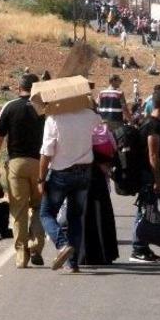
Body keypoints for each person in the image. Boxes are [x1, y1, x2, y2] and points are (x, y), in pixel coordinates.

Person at [0, 74, 45, 268]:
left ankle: (21, 254)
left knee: (18, 210)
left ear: (19, 87)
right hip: (39, 163)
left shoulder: (10, 107)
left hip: (17, 164)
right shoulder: (44, 107)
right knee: (38, 207)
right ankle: (36, 244)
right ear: (36, 87)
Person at [37, 94, 101, 274]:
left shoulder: (54, 118)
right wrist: (90, 102)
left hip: (61, 173)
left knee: (46, 213)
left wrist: (40, 179)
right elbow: (100, 125)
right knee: (75, 217)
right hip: (85, 171)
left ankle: (62, 244)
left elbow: (46, 152)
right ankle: (73, 263)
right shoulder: (89, 115)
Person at [130, 88, 160, 263]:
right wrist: (157, 178)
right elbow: (153, 154)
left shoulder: (152, 123)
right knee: (144, 209)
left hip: (148, 174)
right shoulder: (153, 125)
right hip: (147, 174)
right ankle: (138, 248)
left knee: (148, 210)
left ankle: (143, 247)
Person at [81, 121, 120, 265]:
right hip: (100, 174)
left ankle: (85, 254)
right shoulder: (100, 125)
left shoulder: (78, 126)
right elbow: (114, 148)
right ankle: (104, 254)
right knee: (101, 213)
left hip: (82, 172)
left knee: (84, 214)